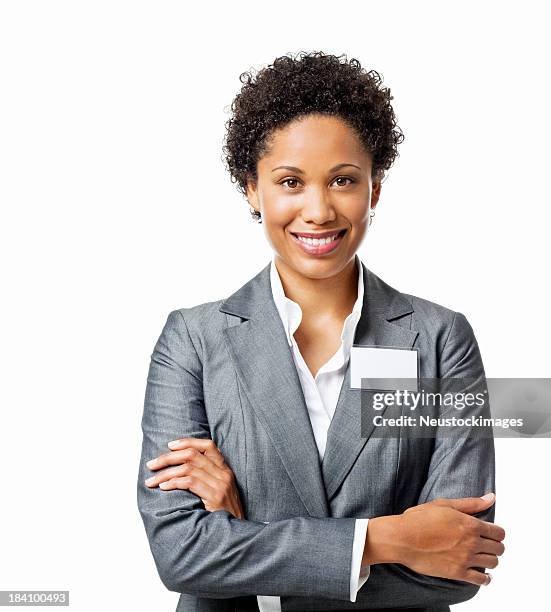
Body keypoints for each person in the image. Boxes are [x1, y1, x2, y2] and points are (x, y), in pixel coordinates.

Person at [137, 51, 505, 612]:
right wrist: (388, 540)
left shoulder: (438, 339)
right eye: (290, 181)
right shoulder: (193, 340)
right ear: (252, 190)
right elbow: (181, 555)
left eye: (343, 180)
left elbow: (460, 563)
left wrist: (246, 535)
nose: (318, 209)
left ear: (374, 190)